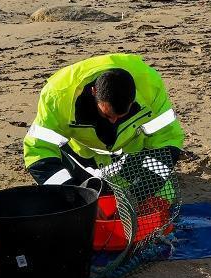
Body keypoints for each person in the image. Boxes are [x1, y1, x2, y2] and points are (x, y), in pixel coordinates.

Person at [23, 54, 184, 187]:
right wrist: (72, 195)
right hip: (82, 156)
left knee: (159, 194)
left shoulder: (150, 86)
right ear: (93, 91)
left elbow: (167, 139)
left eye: (121, 116)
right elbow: (39, 150)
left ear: (134, 97)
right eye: (107, 115)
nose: (113, 121)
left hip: (132, 154)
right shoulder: (57, 97)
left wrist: (144, 186)